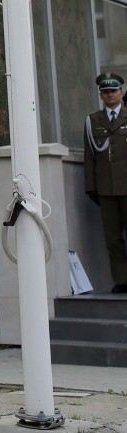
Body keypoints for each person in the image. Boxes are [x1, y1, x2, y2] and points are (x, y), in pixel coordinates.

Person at [84, 71, 127, 294]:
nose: (110, 95)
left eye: (113, 91)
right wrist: (90, 187)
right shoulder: (93, 121)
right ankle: (122, 280)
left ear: (121, 92)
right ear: (101, 95)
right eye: (106, 92)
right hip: (107, 189)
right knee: (112, 238)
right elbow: (89, 156)